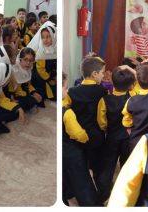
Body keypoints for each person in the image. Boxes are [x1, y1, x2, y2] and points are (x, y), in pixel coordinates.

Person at [66, 56, 108, 195]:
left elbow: (66, 110)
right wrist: (104, 129)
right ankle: (102, 191)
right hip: (96, 136)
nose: (103, 75)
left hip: (78, 137)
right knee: (97, 166)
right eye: (102, 72)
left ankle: (78, 191)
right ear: (94, 74)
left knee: (81, 165)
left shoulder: (72, 91)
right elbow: (101, 118)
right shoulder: (102, 91)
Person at [62, 72, 102, 206]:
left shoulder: (71, 95)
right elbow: (78, 134)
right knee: (82, 180)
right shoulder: (67, 113)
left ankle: (68, 192)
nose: (67, 90)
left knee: (65, 175)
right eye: (65, 87)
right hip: (71, 150)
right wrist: (85, 138)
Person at [97, 66, 136, 202]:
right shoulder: (133, 98)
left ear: (112, 82)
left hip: (112, 137)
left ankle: (103, 194)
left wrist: (106, 129)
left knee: (107, 166)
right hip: (128, 138)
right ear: (130, 85)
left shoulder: (104, 100)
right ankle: (125, 195)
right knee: (127, 166)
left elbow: (102, 122)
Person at [8, 47, 42, 112]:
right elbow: (10, 89)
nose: (28, 63)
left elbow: (29, 85)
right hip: (14, 94)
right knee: (28, 101)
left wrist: (34, 92)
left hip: (24, 91)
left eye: (31, 60)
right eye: (25, 59)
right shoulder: (14, 69)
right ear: (20, 59)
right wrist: (12, 98)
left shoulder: (29, 68)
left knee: (40, 93)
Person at [31, 25, 57, 103]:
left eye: (48, 37)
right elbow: (40, 70)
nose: (45, 40)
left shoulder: (55, 48)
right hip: (41, 76)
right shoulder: (41, 51)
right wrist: (49, 79)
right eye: (43, 37)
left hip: (51, 73)